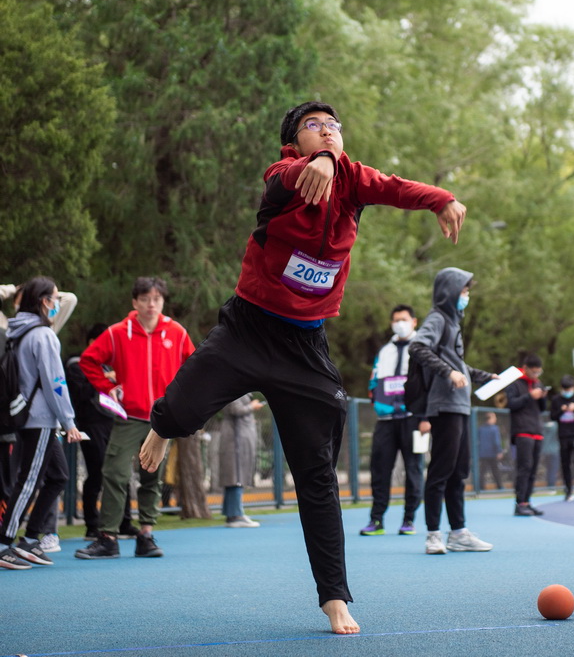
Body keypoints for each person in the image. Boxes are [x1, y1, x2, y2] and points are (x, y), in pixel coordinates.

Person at [138, 101, 466, 635]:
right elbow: (286, 180)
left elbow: (400, 186)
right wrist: (318, 163)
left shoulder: (355, 180)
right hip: (247, 330)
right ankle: (163, 426)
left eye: (335, 124)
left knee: (317, 476)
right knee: (181, 408)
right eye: (315, 125)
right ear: (295, 140)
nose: (329, 130)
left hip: (304, 348)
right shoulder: (283, 174)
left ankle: (333, 597)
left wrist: (443, 199)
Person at [74, 277, 194, 560]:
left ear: (163, 302)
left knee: (151, 477)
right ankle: (107, 538)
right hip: (128, 417)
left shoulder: (176, 332)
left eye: (156, 299)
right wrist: (108, 388)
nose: (151, 304)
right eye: (145, 299)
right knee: (114, 472)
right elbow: (88, 360)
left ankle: (146, 536)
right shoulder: (118, 333)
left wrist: (182, 401)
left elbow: (195, 366)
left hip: (162, 420)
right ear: (135, 302)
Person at [409, 267, 495, 555]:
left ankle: (458, 532)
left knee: (458, 472)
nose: (467, 296)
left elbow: (460, 367)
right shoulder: (437, 318)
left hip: (460, 406)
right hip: (444, 406)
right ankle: (433, 534)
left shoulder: (453, 323)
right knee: (440, 471)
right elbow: (418, 347)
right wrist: (448, 373)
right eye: (464, 291)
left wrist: (485, 376)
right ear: (450, 291)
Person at [0, 277, 82, 570]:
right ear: (44, 301)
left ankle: (30, 537)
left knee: (58, 475)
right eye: (54, 297)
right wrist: (68, 420)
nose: (58, 302)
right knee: (28, 481)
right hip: (39, 417)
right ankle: (4, 542)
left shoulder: (18, 330)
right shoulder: (43, 335)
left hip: (29, 415)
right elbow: (55, 382)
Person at [65, 324, 138, 540]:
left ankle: (124, 522)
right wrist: (105, 379)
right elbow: (80, 394)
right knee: (97, 472)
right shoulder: (76, 365)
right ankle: (92, 525)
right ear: (92, 343)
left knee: (121, 472)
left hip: (113, 421)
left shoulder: (110, 366)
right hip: (90, 424)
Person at [360, 304, 425, 536]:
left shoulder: (423, 347)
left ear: (414, 321)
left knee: (413, 469)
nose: (400, 323)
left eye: (404, 319)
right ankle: (376, 519)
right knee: (380, 469)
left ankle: (409, 519)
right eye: (396, 320)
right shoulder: (384, 350)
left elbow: (429, 383)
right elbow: (374, 380)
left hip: (413, 418)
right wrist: (375, 400)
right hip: (386, 418)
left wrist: (424, 416)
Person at [506, 353, 547, 516]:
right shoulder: (514, 383)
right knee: (524, 467)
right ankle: (519, 502)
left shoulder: (538, 383)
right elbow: (511, 404)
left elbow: (542, 408)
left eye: (539, 372)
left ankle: (527, 501)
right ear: (526, 369)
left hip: (536, 430)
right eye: (533, 372)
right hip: (522, 430)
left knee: (533, 468)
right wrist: (529, 396)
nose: (536, 375)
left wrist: (542, 396)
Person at [219, 394, 264, 528]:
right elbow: (235, 409)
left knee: (237, 473)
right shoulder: (232, 383)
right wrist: (252, 406)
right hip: (236, 438)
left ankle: (232, 513)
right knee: (236, 474)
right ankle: (236, 515)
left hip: (239, 435)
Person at [550, 374, 574, 501]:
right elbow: (553, 416)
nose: (567, 392)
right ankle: (568, 489)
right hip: (563, 434)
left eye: (569, 389)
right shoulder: (556, 400)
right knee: (565, 463)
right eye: (565, 389)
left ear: (573, 387)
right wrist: (562, 410)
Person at [477, 412, 504, 491]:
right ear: (490, 418)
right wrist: (499, 451)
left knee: (482, 471)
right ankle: (500, 486)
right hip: (492, 453)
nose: (495, 419)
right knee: (495, 470)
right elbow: (496, 441)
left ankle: (481, 487)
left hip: (482, 453)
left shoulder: (480, 428)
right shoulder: (494, 428)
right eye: (494, 417)